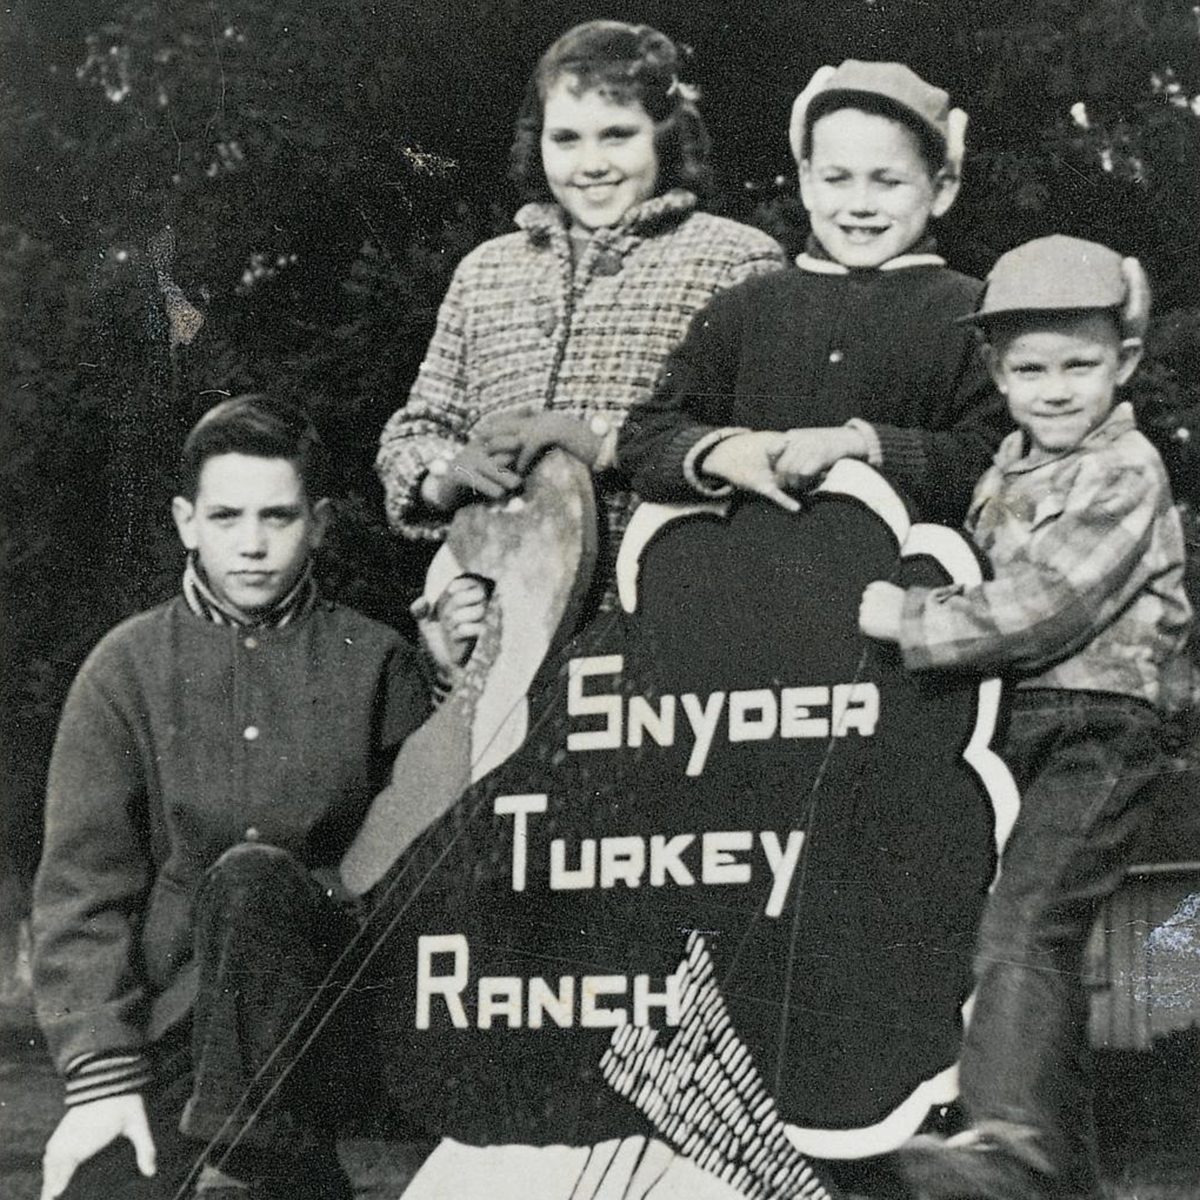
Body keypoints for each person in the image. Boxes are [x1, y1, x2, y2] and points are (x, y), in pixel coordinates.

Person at [31, 396, 474, 1200]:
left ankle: (247, 1166)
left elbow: (436, 854)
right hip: (177, 1036)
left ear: (322, 523)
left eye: (279, 516)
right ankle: (255, 1164)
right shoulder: (124, 668)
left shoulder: (374, 660)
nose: (254, 543)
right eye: (226, 516)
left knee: (253, 878)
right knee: (93, 1184)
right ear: (185, 522)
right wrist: (100, 1078)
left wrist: (450, 677)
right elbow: (82, 892)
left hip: (329, 1028)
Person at [857, 236, 1193, 1199]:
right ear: (997, 373)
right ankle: (1060, 1177)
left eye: (1080, 366)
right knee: (1014, 946)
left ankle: (1002, 1139)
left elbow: (1049, 607)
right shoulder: (999, 477)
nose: (1055, 390)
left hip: (1098, 732)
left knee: (1025, 929)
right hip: (1012, 729)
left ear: (1123, 364)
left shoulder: (1124, 469)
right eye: (1030, 369)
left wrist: (908, 620)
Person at [375, 19, 786, 596]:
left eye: (617, 135)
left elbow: (750, 443)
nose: (590, 163)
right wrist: (454, 473)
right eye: (565, 139)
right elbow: (413, 435)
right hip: (501, 612)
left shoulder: (735, 262)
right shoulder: (488, 271)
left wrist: (596, 440)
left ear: (664, 135)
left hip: (667, 603)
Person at [617, 59, 1010, 527]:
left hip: (900, 586)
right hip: (740, 575)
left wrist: (864, 446)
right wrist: (720, 452)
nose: (860, 205)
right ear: (805, 182)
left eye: (888, 181)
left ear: (942, 189)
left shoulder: (975, 312)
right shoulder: (744, 307)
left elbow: (994, 455)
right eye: (836, 178)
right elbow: (644, 435)